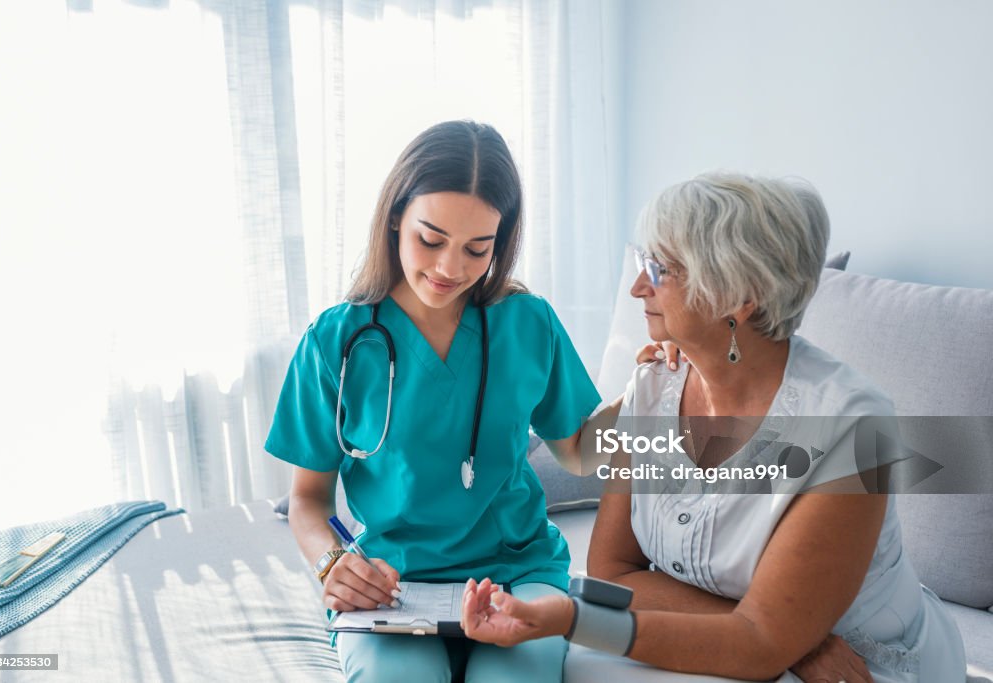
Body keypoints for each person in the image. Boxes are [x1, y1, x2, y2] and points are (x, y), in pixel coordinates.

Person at [461, 172, 967, 682]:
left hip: (853, 667)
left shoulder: (852, 429)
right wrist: (792, 639)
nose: (638, 286)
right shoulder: (654, 387)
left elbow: (758, 644)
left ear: (738, 297)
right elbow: (615, 573)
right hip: (781, 648)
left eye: (659, 270)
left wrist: (576, 619)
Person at [264, 120, 604, 683]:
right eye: (431, 239)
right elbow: (307, 497)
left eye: (477, 249)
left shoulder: (526, 322)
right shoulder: (335, 341)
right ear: (395, 216)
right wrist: (333, 563)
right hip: (393, 579)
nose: (451, 269)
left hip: (517, 570)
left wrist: (657, 389)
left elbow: (576, 451)